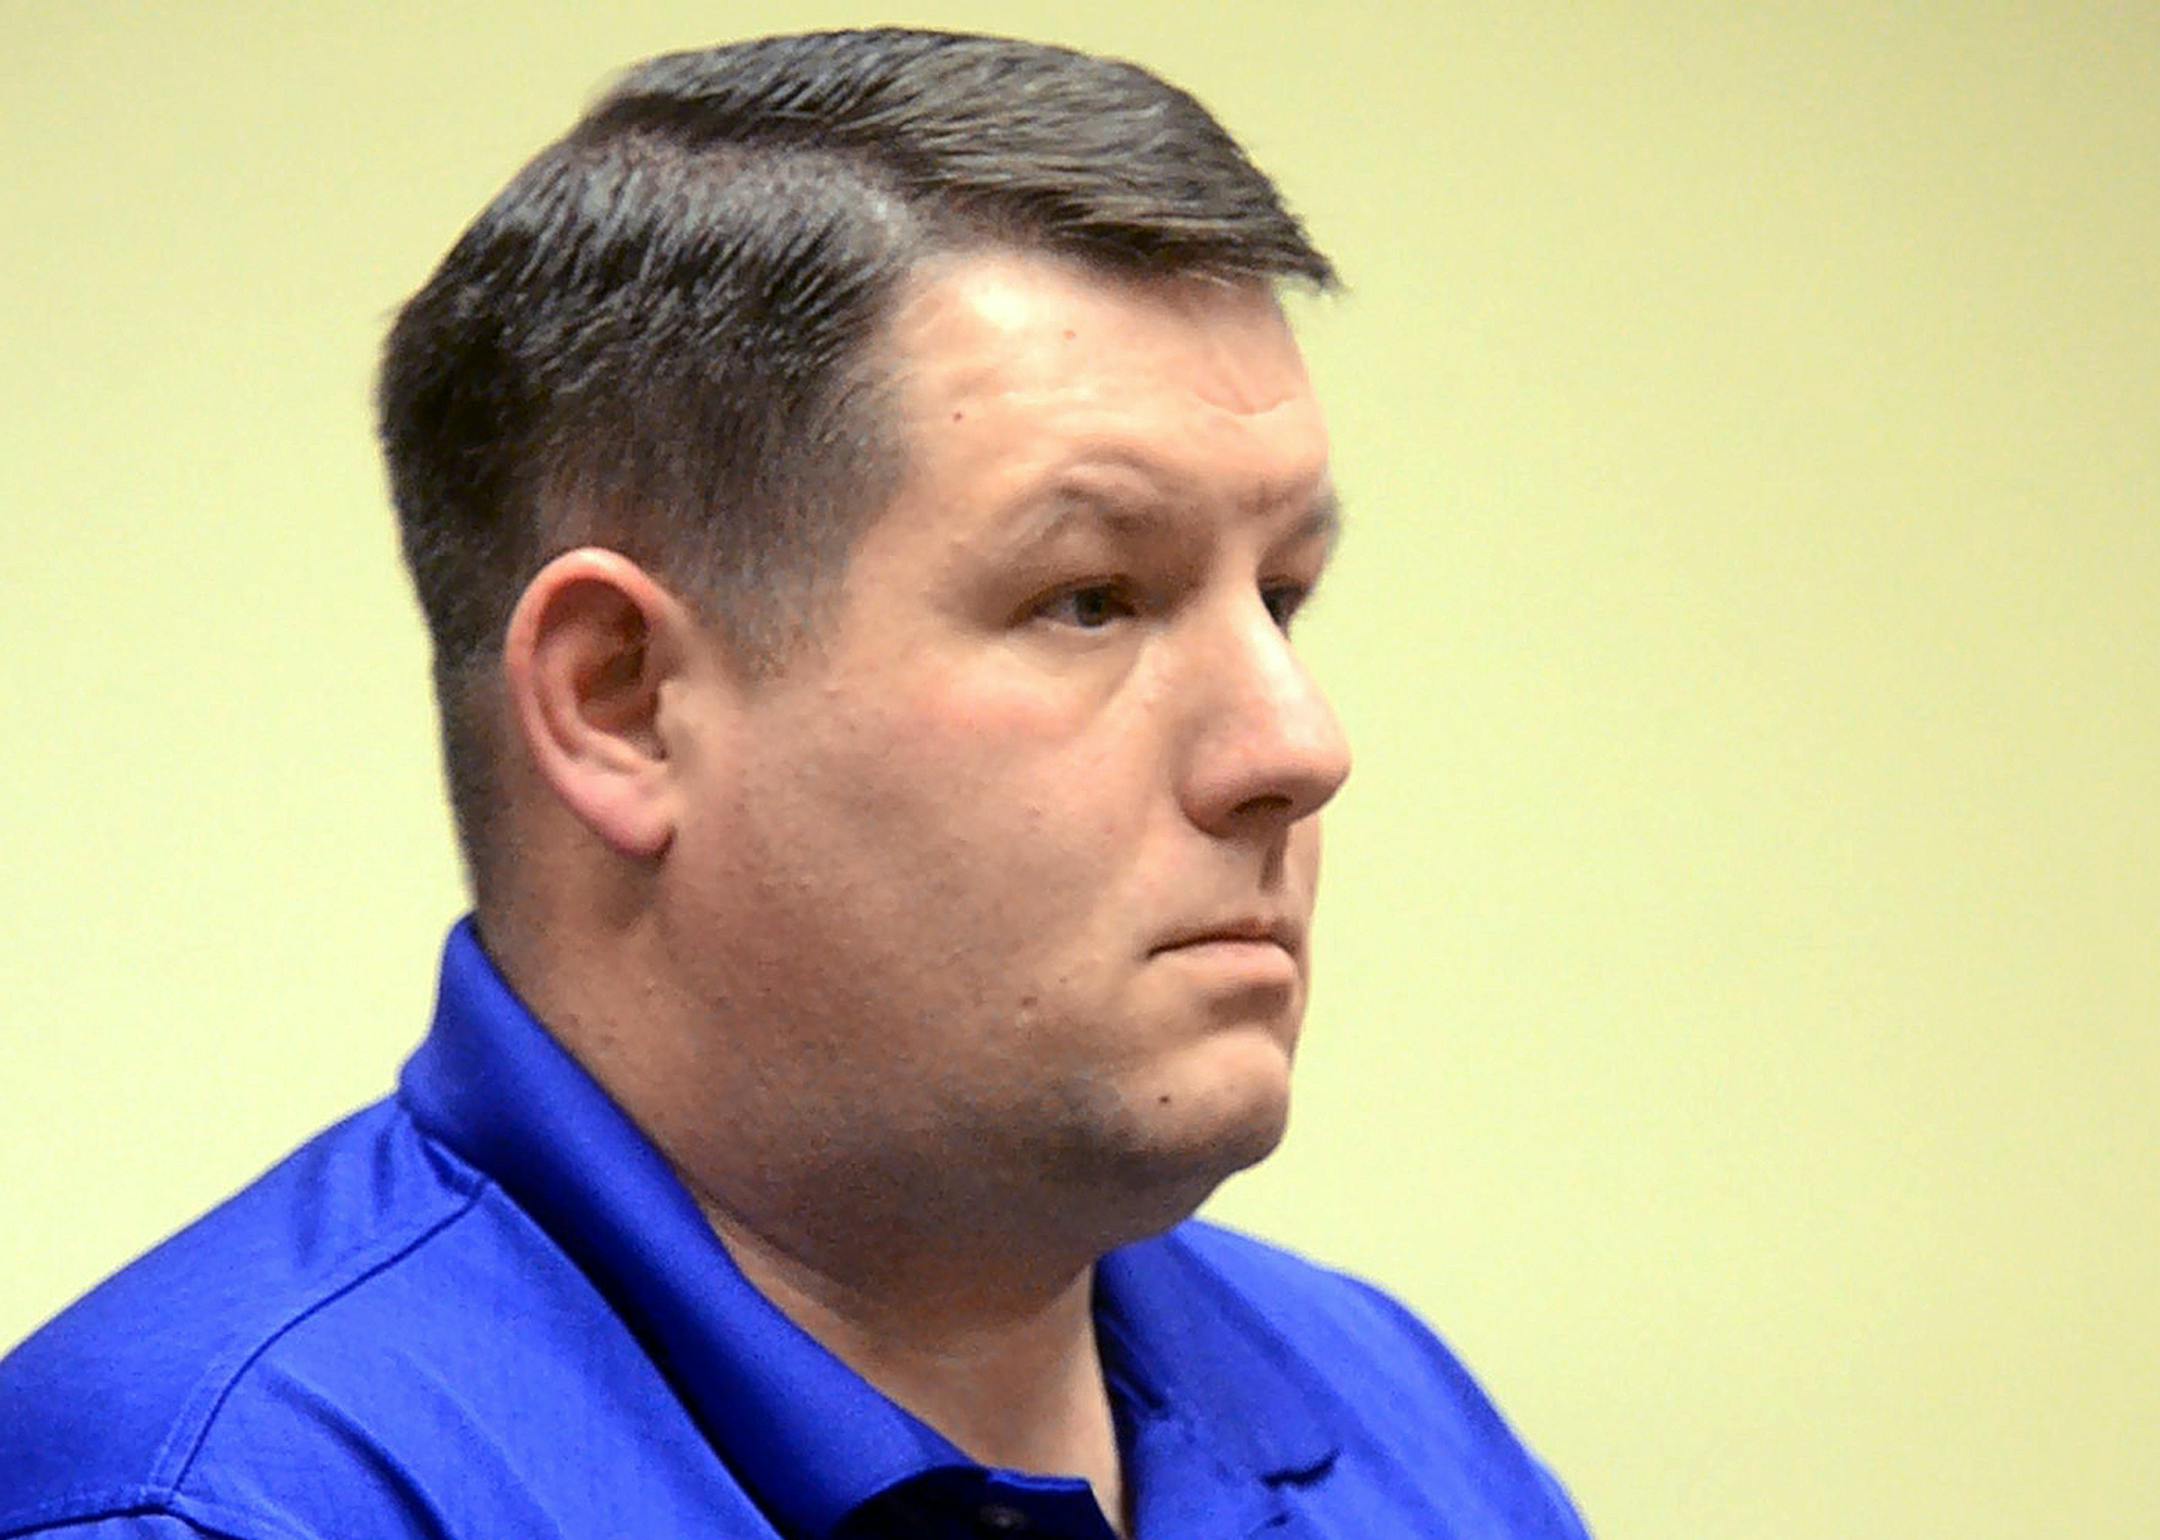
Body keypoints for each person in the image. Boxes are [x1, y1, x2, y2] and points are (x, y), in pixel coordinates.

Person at [0, 29, 1589, 1539]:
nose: (1298, 749)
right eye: (1092, 597)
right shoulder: (221, 1501)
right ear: (622, 704)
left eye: (1283, 597)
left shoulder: (1401, 1420)